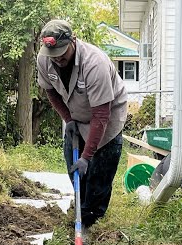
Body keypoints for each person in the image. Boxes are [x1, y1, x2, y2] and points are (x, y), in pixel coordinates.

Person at [36, 19, 127, 230]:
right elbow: (50, 91)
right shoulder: (44, 59)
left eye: (61, 52)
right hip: (77, 116)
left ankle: (91, 224)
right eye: (53, 54)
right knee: (74, 171)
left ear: (73, 41)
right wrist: (68, 119)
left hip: (106, 120)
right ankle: (82, 210)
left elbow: (101, 114)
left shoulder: (95, 64)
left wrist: (87, 156)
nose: (57, 58)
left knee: (98, 176)